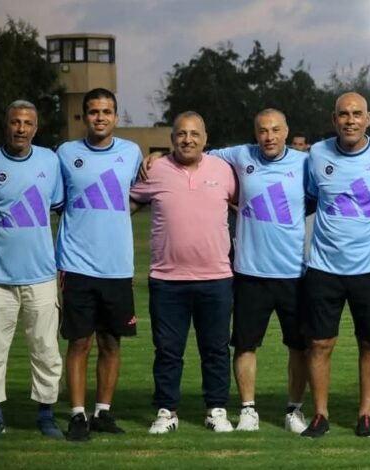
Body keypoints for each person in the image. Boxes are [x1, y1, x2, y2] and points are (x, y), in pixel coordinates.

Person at [139, 109, 309, 434]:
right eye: (262, 130)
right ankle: (245, 410)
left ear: (287, 132)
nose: (269, 136)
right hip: (248, 272)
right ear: (254, 133)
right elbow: (191, 153)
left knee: (297, 346)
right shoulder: (237, 157)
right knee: (240, 345)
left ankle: (293, 410)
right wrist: (158, 156)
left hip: (293, 273)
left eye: (275, 130)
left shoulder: (305, 164)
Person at [131, 111, 237, 434]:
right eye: (181, 134)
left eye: (194, 134)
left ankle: (216, 410)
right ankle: (167, 411)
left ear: (205, 139)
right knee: (167, 351)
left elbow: (244, 204)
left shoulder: (223, 170)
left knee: (216, 349)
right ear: (171, 139)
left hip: (216, 279)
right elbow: (127, 204)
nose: (187, 140)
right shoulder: (155, 170)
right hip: (167, 281)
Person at [0, 100, 64, 438]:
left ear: (36, 128)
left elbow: (62, 213)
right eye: (15, 122)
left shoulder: (50, 161)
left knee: (46, 350)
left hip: (42, 277)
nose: (21, 128)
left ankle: (46, 415)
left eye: (27, 123)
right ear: (6, 125)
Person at [301, 92, 370, 438]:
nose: (350, 120)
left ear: (368, 119)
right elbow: (309, 198)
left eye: (357, 114)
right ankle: (320, 415)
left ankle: (366, 415)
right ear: (334, 119)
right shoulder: (317, 154)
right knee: (320, 344)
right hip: (324, 267)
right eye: (344, 114)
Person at [56, 88, 143, 441]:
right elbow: (56, 203)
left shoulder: (132, 152)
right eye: (94, 111)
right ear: (84, 116)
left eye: (106, 111)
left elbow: (141, 194)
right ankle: (77, 415)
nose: (100, 117)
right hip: (76, 264)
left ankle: (102, 412)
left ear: (116, 116)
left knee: (111, 343)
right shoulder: (66, 153)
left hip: (117, 267)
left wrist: (119, 212)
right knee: (80, 343)